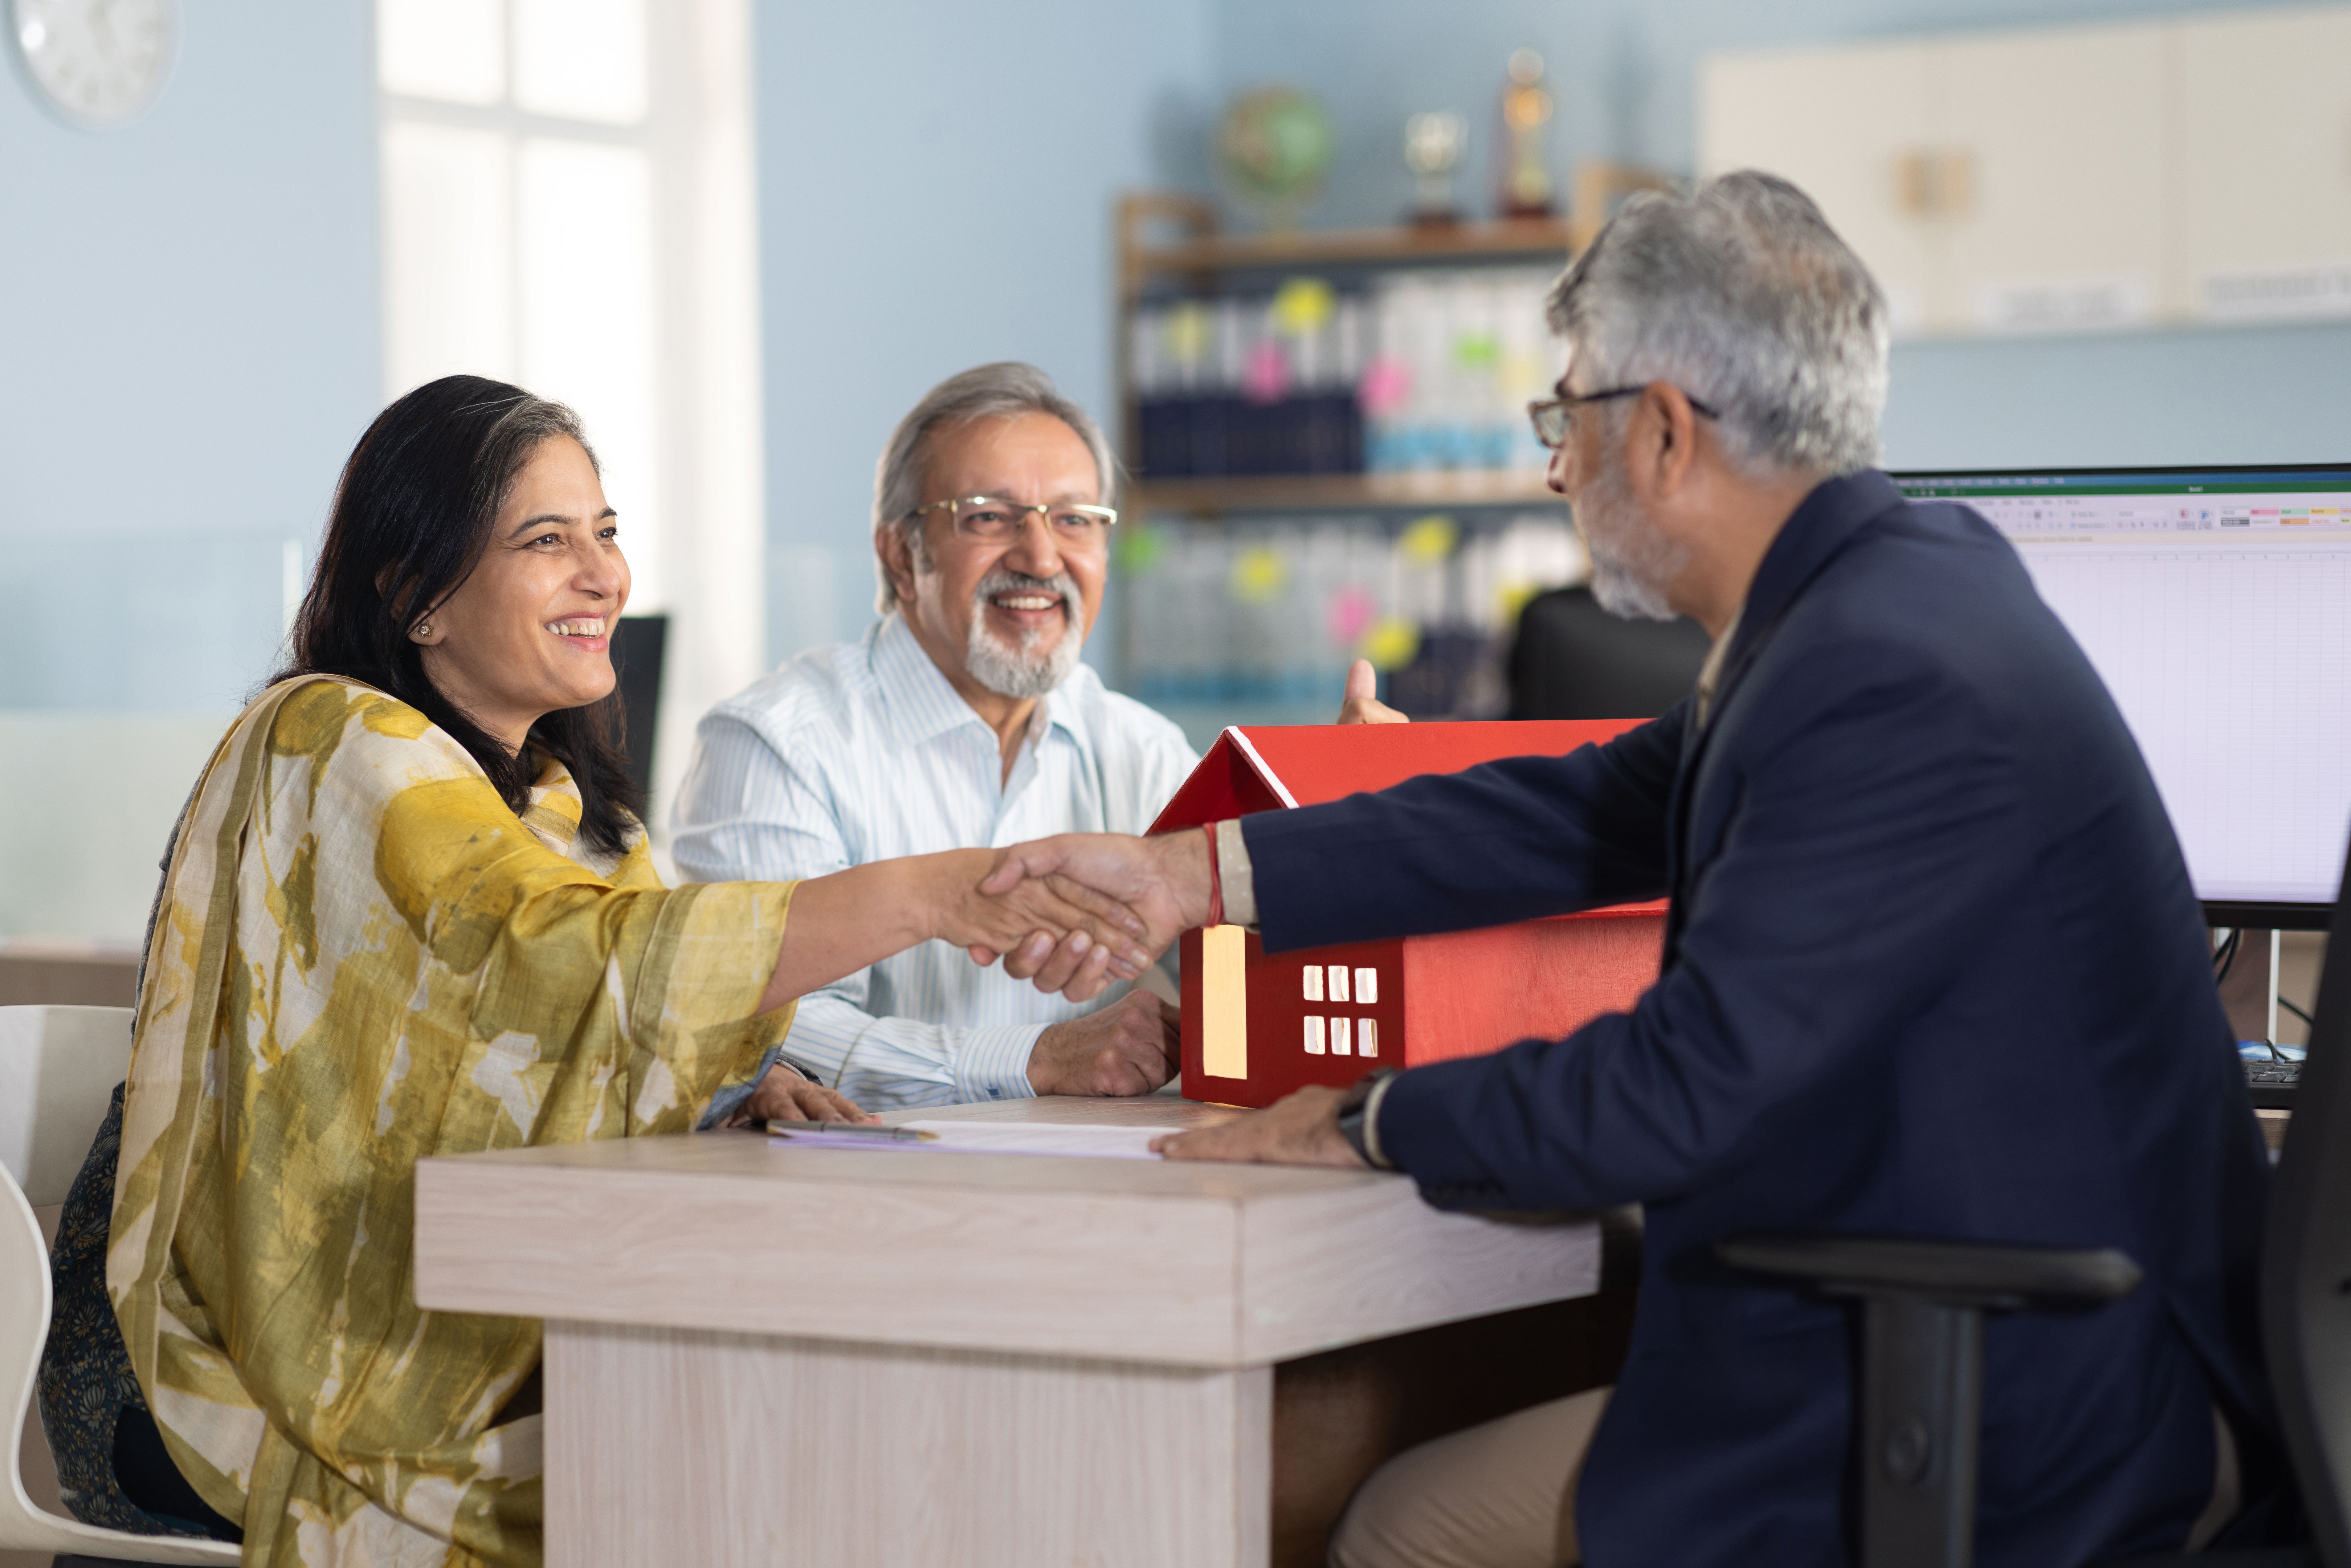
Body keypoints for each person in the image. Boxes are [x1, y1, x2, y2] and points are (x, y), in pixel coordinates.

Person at [979, 174, 2275, 1567]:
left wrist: (1362, 1119)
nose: (1554, 472)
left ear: (1660, 432)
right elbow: (1573, 814)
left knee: (1389, 1528)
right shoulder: (1877, 596)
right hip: (1993, 1331)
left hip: (2030, 1400)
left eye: (1566, 418)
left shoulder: (1877, 673)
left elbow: (1681, 1090)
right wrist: (1194, 872)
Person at [36, 376, 1149, 1568]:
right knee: (723, 1472)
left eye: (607, 534)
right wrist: (936, 894)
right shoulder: (327, 737)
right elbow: (559, 954)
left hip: (478, 1330)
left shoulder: (564, 806)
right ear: (417, 597)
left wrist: (732, 1083)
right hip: (249, 1358)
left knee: (805, 1447)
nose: (604, 576)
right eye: (546, 541)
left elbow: (647, 1006)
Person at [670, 362, 1392, 1107]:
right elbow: (760, 1032)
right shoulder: (773, 744)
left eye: (1074, 519)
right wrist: (1033, 1058)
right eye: (988, 516)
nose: (1042, 558)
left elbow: (1249, 984)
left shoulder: (1137, 747)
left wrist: (1323, 827)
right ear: (900, 554)